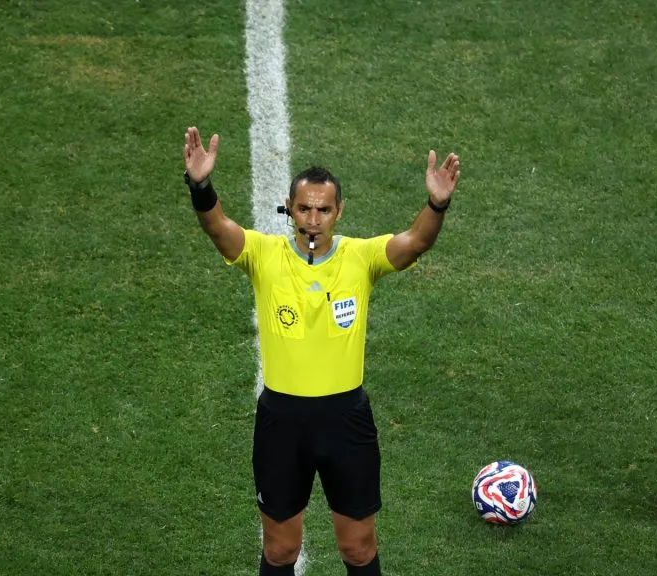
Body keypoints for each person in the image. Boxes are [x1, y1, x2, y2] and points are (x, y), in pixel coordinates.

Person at [181, 126, 460, 576]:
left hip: (345, 420)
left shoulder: (361, 257)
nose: (313, 219)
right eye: (305, 208)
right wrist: (200, 185)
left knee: (358, 548)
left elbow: (416, 242)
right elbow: (218, 228)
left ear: (339, 211)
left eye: (323, 209)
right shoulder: (263, 254)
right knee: (279, 551)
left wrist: (437, 203)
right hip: (282, 422)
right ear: (289, 209)